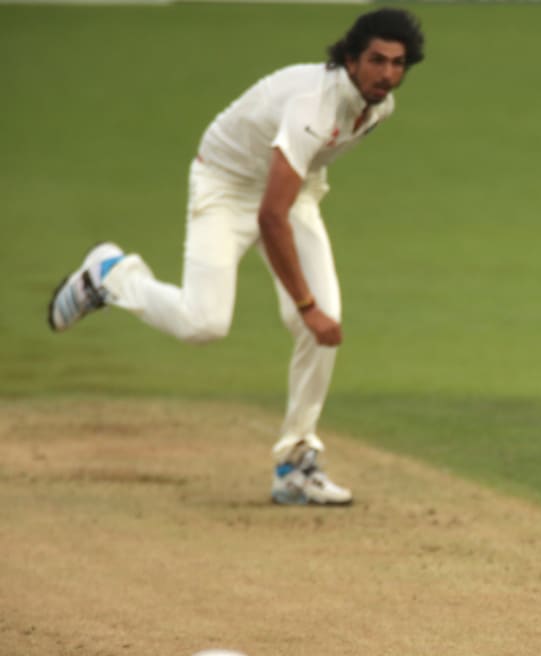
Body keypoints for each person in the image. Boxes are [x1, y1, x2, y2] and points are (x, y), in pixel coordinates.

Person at [47, 7, 425, 506]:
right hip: (226, 185)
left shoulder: (379, 106)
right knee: (205, 324)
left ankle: (295, 462)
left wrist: (313, 311)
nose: (388, 74)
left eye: (398, 63)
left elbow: (289, 193)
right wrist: (304, 306)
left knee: (326, 326)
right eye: (377, 60)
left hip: (293, 190)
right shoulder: (315, 105)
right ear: (351, 59)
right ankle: (112, 276)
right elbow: (271, 217)